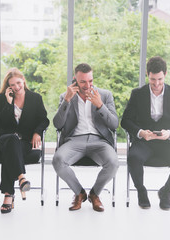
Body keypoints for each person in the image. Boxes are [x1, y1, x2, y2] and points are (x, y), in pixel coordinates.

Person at [121, 56, 170, 210]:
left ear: (165, 74)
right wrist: (141, 132)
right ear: (148, 75)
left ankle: (166, 191)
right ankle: (141, 191)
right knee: (133, 158)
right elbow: (125, 121)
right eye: (153, 79)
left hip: (168, 142)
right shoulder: (137, 94)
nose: (156, 84)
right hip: (144, 142)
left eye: (160, 79)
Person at [52, 63, 119, 212]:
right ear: (75, 80)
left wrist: (100, 105)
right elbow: (58, 124)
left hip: (99, 140)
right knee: (57, 160)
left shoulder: (105, 95)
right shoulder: (65, 96)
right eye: (83, 81)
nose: (87, 85)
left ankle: (95, 194)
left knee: (114, 163)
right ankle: (79, 193)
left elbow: (114, 124)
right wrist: (67, 101)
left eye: (90, 81)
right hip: (74, 140)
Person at [0, 67, 49, 214]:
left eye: (18, 83)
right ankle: (21, 178)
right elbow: (0, 123)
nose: (16, 87)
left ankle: (8, 195)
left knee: (10, 153)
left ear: (23, 80)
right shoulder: (2, 98)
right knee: (11, 141)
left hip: (24, 142)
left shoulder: (35, 98)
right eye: (12, 85)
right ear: (8, 86)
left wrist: (37, 132)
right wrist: (8, 103)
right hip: (4, 139)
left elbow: (44, 120)